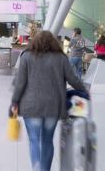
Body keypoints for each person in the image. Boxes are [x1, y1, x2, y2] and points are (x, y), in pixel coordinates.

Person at [10, 31, 86, 171]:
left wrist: (14, 102)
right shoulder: (61, 58)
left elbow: (20, 83)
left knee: (33, 141)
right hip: (53, 106)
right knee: (47, 141)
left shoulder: (26, 56)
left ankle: (37, 168)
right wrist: (85, 90)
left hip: (31, 107)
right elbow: (73, 79)